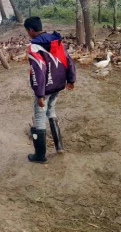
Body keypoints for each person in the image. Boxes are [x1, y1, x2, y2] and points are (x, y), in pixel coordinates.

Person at [24, 17, 76, 163]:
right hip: (58, 84)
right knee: (51, 110)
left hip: (45, 88)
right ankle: (59, 146)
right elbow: (69, 60)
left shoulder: (34, 47)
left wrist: (40, 94)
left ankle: (40, 155)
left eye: (28, 31)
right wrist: (71, 79)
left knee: (39, 117)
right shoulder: (57, 41)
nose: (28, 34)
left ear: (31, 30)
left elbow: (39, 70)